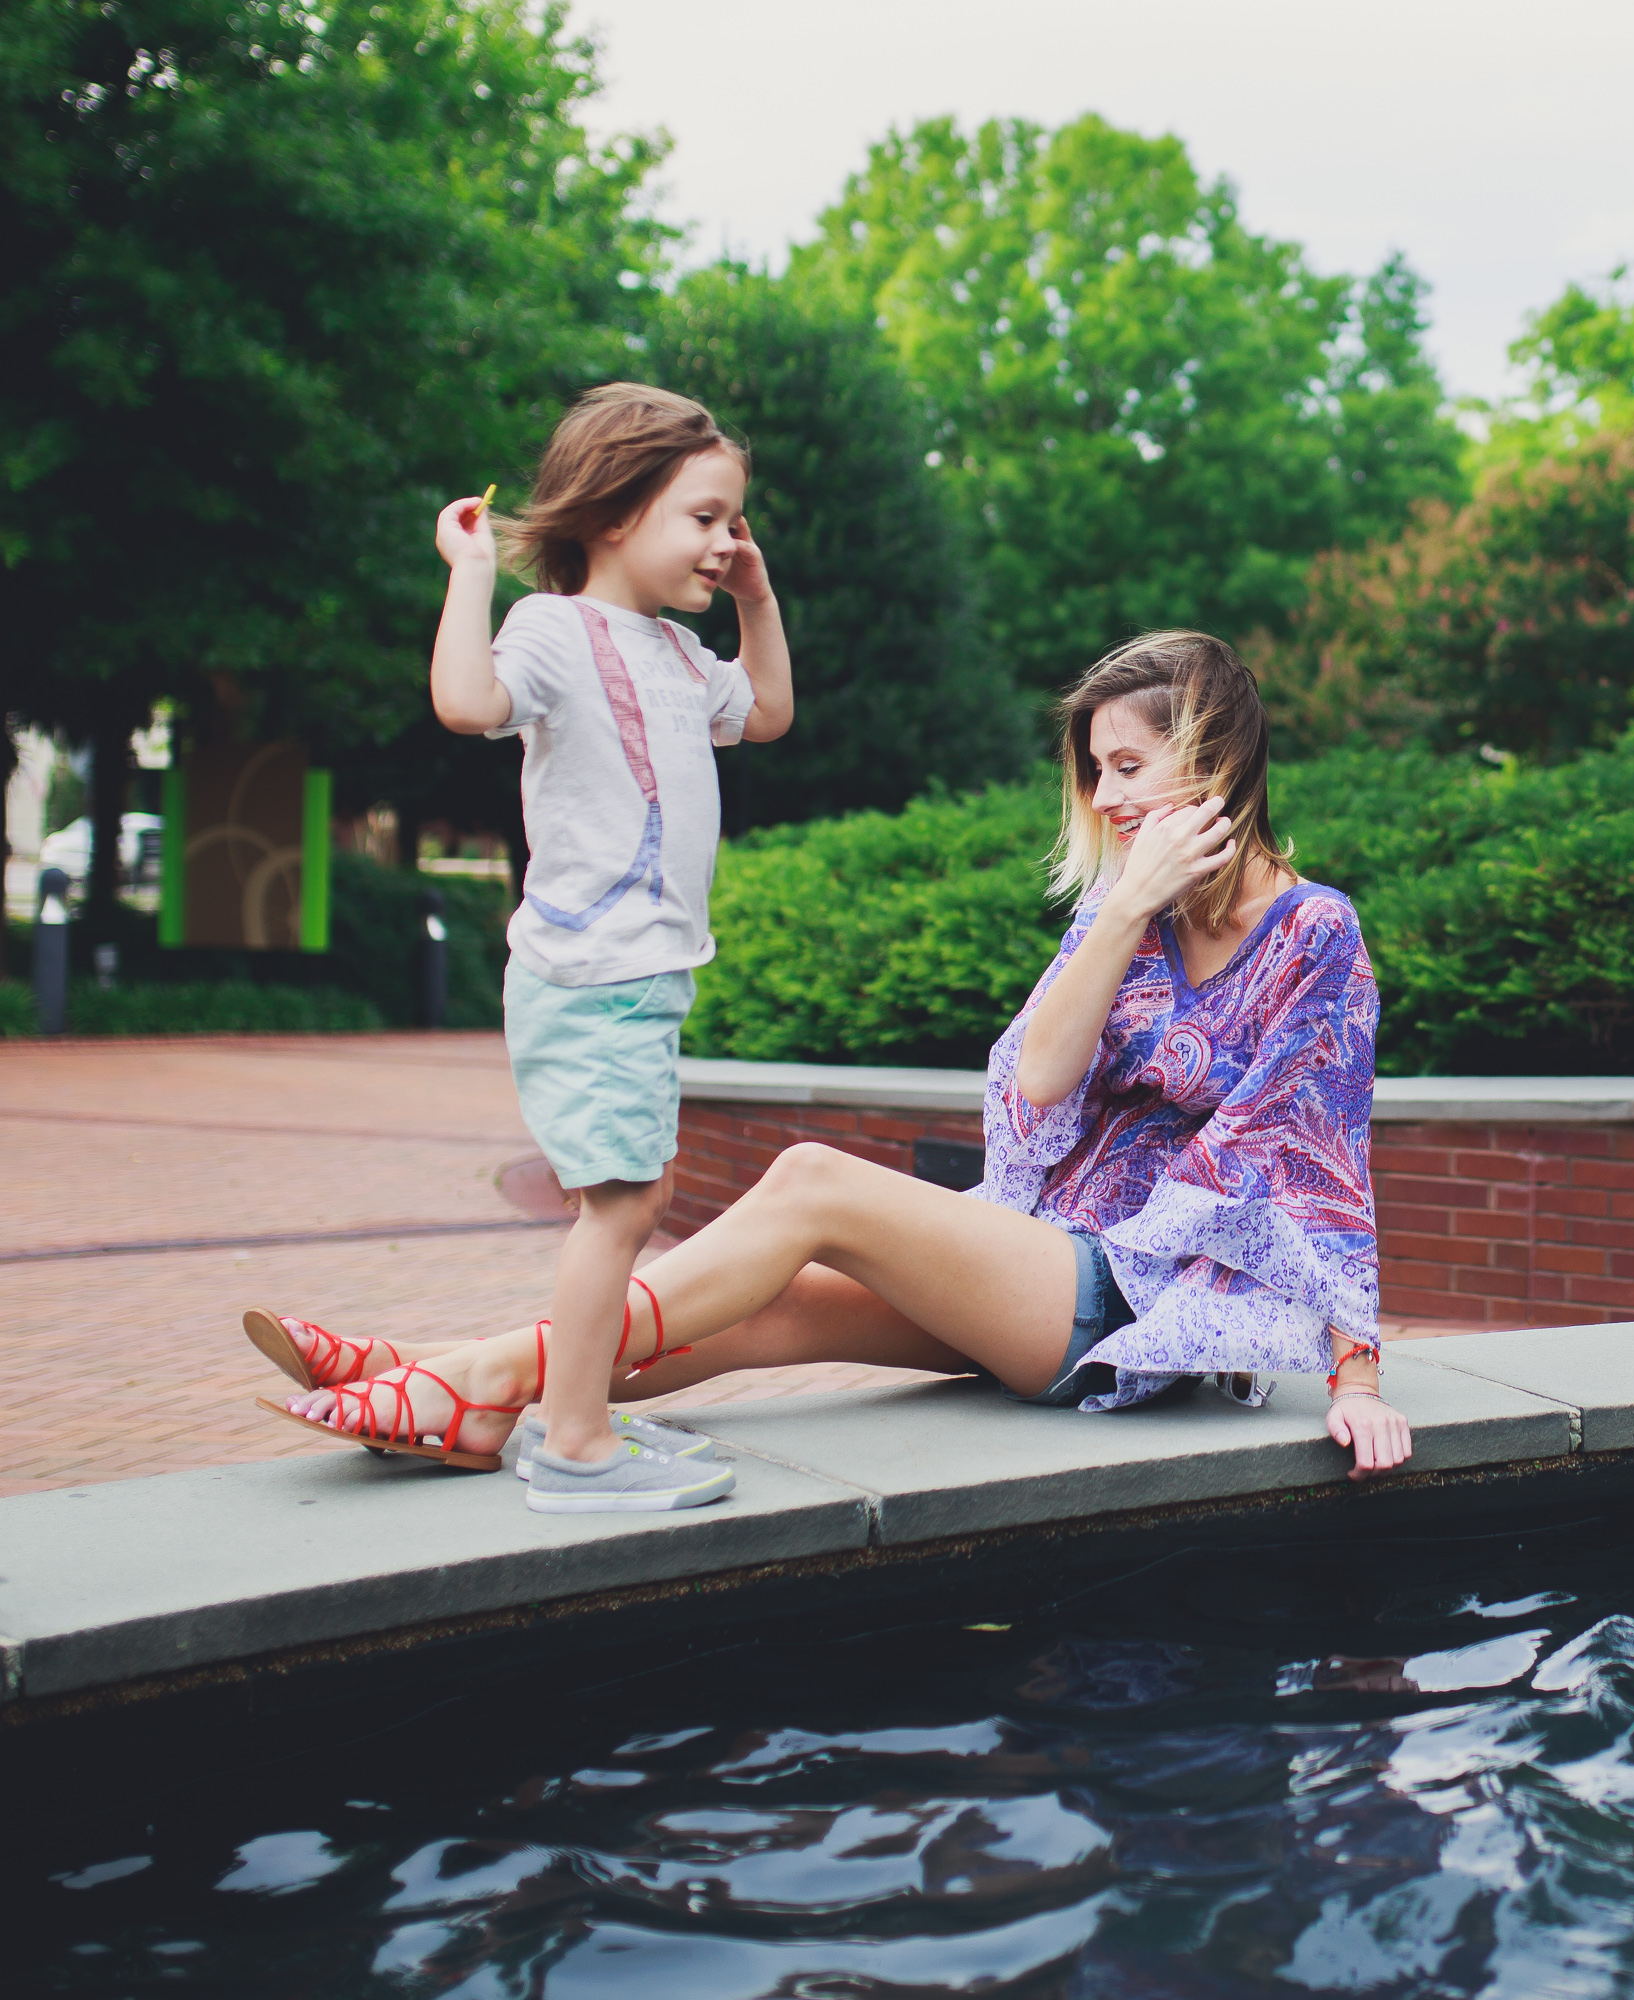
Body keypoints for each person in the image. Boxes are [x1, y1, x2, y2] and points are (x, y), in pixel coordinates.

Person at [263, 631, 1412, 1484]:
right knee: (767, 1313)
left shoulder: (1315, 933)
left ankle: (447, 1381)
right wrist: (1122, 916)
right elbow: (1040, 1085)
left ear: (1210, 760)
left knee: (812, 1178)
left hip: (1142, 1300)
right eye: (1095, 770)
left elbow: (1318, 1168)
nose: (1103, 796)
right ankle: (453, 1374)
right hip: (1045, 1259)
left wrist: (1355, 1380)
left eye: (1127, 765)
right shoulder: (1126, 907)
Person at [259, 383, 795, 1513]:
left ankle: (569, 1417)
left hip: (641, 975)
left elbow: (769, 711)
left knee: (629, 1204)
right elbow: (466, 699)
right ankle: (575, 1442)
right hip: (590, 975)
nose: (726, 541)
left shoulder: (677, 653)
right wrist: (468, 575)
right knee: (621, 1210)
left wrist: (757, 598)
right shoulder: (556, 629)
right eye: (703, 518)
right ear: (612, 514)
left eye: (732, 522)